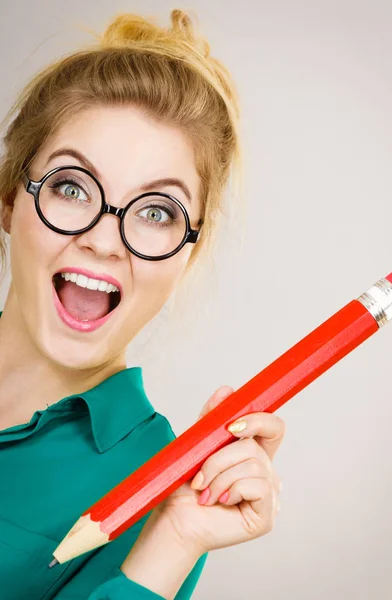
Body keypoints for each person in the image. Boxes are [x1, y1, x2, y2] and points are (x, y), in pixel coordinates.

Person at [0, 8, 285, 600]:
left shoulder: (164, 493)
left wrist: (175, 538)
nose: (104, 240)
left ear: (188, 253)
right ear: (9, 200)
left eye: (157, 212)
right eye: (71, 187)